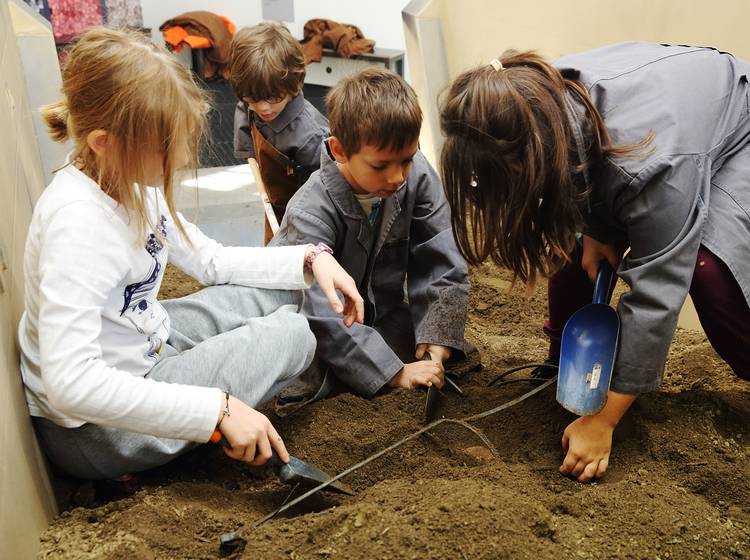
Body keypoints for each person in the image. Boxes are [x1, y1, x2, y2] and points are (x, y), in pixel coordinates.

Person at [18, 28, 363, 481]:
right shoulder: (78, 224)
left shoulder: (124, 179)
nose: (178, 157)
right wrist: (214, 410)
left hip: (145, 342)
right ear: (105, 142)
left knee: (283, 297)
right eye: (164, 144)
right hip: (98, 432)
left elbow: (211, 261)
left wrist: (310, 258)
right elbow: (72, 385)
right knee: (294, 334)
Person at [439, 43, 750, 482]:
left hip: (735, 127)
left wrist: (604, 420)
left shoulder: (650, 165)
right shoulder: (532, 107)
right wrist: (594, 229)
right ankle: (559, 367)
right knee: (572, 242)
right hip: (659, 127)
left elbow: (659, 289)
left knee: (709, 269)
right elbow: (577, 173)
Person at [273, 67, 472, 401]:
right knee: (306, 378)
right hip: (312, 325)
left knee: (445, 342)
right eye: (381, 166)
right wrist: (395, 373)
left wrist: (436, 341)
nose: (397, 177)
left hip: (380, 314)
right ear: (338, 150)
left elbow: (442, 257)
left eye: (407, 159)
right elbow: (321, 310)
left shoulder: (417, 175)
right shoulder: (309, 208)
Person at [230, 22, 329, 244]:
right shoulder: (250, 103)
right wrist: (248, 151)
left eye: (273, 98)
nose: (263, 108)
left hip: (308, 218)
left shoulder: (311, 136)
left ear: (294, 83)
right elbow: (243, 110)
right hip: (273, 206)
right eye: (253, 99)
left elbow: (327, 192)